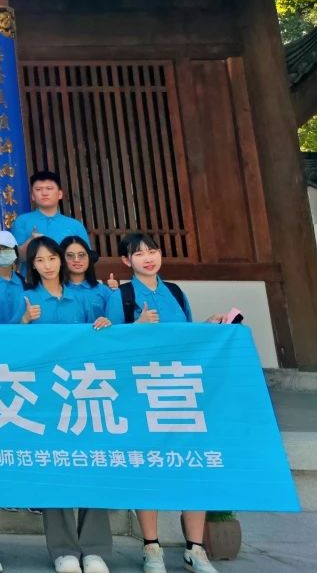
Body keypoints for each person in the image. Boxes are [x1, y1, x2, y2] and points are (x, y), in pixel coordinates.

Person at [104, 232, 221, 573]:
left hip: (182, 390)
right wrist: (136, 326)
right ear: (127, 262)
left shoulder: (174, 291)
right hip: (143, 392)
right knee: (148, 463)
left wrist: (208, 327)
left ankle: (195, 549)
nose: (148, 258)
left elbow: (187, 336)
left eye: (152, 251)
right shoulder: (121, 295)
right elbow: (112, 344)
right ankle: (151, 547)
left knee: (193, 462)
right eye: (138, 254)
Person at [13, 242, 112, 573]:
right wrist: (24, 321)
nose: (48, 264)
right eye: (39, 260)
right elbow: (4, 347)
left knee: (91, 465)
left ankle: (95, 548)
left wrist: (104, 327)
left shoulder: (84, 297)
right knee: (53, 466)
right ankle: (63, 549)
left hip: (82, 392)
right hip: (43, 397)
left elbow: (101, 343)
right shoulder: (26, 299)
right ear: (33, 266)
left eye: (52, 258)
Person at [11, 171, 90, 259]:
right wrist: (31, 240)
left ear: (60, 194)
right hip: (30, 273)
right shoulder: (22, 221)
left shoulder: (75, 225)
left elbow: (87, 257)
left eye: (49, 188)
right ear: (33, 196)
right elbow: (17, 257)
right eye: (38, 189)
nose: (44, 193)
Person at [61, 235, 114, 321]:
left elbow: (116, 322)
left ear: (89, 258)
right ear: (61, 259)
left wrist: (117, 293)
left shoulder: (104, 291)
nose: (77, 260)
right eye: (70, 255)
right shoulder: (55, 290)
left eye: (81, 255)